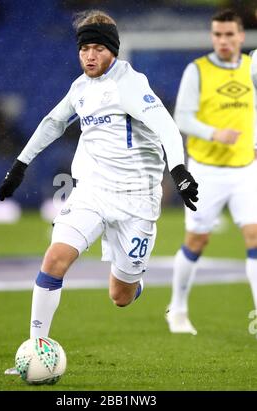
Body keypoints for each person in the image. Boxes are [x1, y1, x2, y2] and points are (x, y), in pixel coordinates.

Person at [0, 10, 198, 374]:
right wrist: (20, 165)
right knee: (55, 258)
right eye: (84, 48)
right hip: (91, 193)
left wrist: (179, 170)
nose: (89, 56)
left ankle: (133, 279)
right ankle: (34, 347)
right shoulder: (81, 88)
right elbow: (53, 123)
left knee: (120, 297)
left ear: (113, 51)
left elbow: (166, 126)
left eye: (97, 48)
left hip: (137, 201)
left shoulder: (130, 84)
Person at [166, 9, 257, 335]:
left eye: (229, 34)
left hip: (247, 169)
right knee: (197, 240)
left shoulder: (252, 67)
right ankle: (177, 309)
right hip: (207, 170)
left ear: (241, 36)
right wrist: (215, 133)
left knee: (255, 238)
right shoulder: (198, 71)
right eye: (217, 35)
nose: (223, 40)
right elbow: (182, 119)